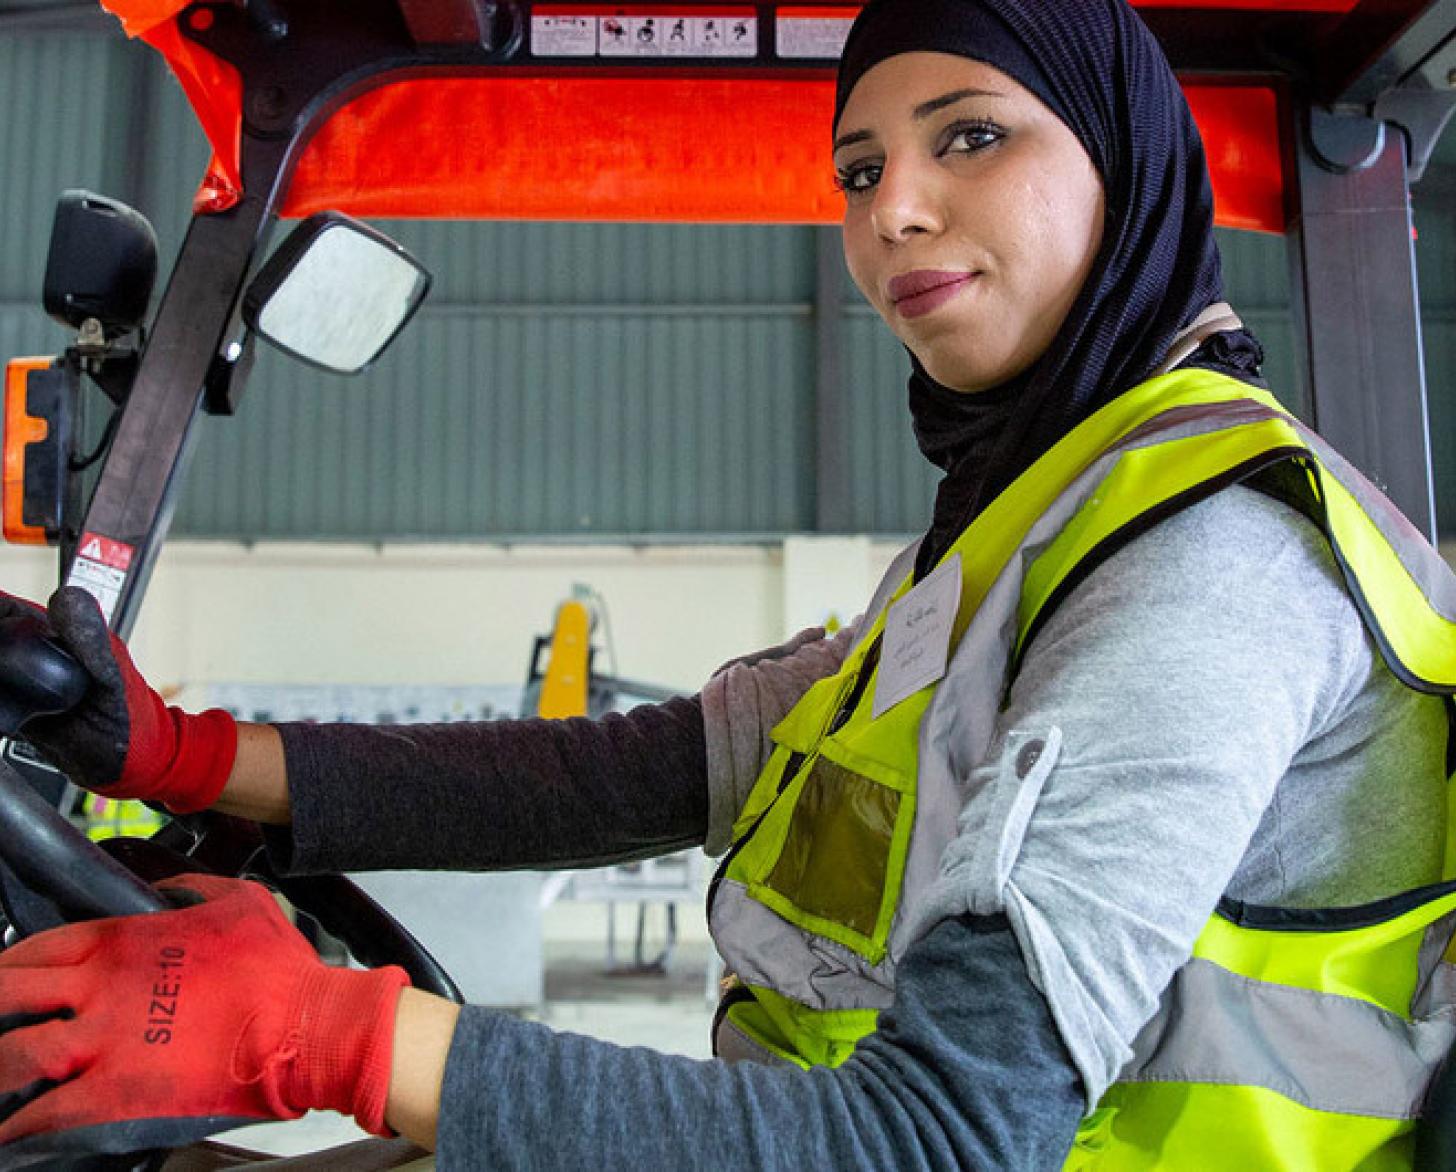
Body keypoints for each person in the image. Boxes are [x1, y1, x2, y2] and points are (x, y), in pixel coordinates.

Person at [2, 0, 1454, 1167]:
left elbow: (939, 1139)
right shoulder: (1006, 544)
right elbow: (630, 776)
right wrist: (186, 755)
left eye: (972, 137)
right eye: (866, 169)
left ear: (1123, 169)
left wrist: (334, 1039)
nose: (896, 214)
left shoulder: (1203, 575)